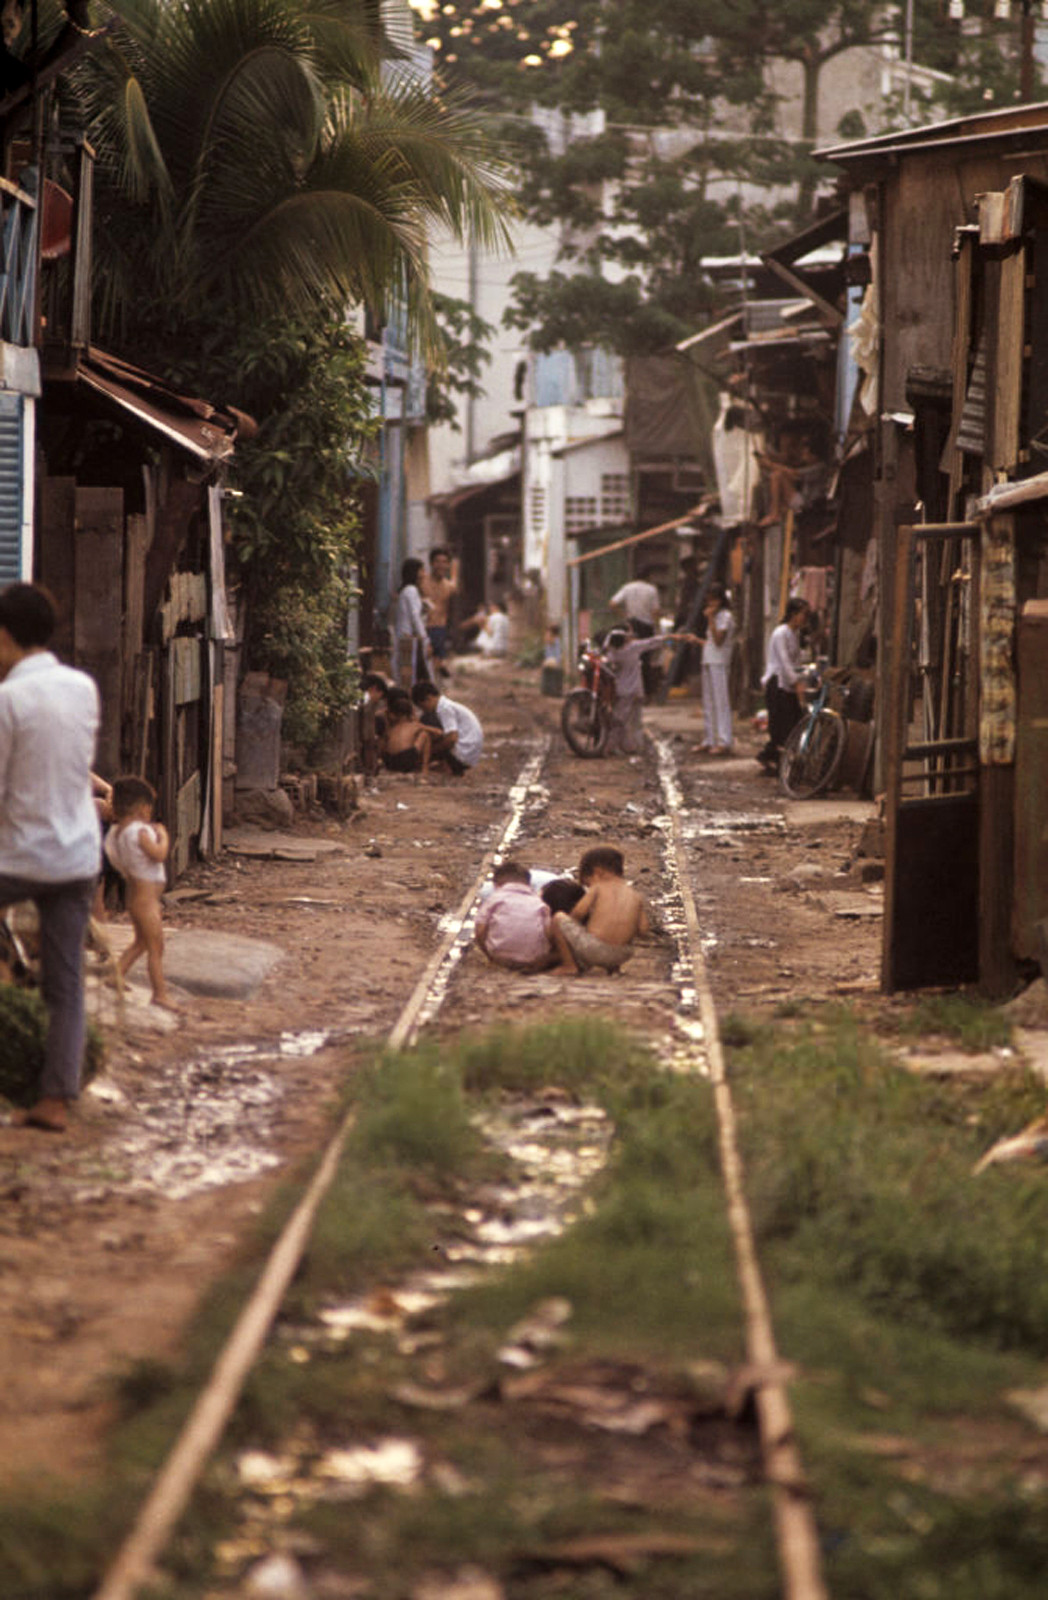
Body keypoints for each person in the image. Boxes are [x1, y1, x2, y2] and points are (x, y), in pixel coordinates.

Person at [0, 583, 101, 1132]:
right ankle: (55, 1101)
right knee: (65, 983)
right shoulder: (82, 687)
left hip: (17, 856)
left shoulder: (8, 700)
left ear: (6, 636)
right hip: (77, 857)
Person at [104, 776, 173, 1008]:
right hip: (147, 901)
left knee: (141, 942)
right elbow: (159, 854)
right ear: (144, 808)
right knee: (156, 947)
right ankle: (160, 993)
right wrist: (163, 835)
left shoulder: (116, 835)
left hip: (136, 897)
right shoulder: (141, 832)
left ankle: (117, 974)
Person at [550, 846, 649, 976]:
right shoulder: (636, 896)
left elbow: (578, 913)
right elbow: (643, 930)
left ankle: (569, 965)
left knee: (558, 918)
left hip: (594, 950)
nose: (588, 887)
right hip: (623, 954)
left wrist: (578, 925)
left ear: (597, 873)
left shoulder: (598, 888)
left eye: (588, 883)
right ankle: (613, 968)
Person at [602, 627, 696, 755]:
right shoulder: (633, 647)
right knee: (636, 720)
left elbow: (607, 645)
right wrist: (678, 637)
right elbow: (655, 641)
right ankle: (633, 746)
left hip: (623, 691)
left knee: (619, 720)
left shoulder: (613, 654)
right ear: (624, 641)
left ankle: (612, 746)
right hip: (637, 690)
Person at [759, 597, 809, 772]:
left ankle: (775, 759)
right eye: (802, 614)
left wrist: (801, 678)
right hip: (778, 683)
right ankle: (773, 760)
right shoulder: (781, 633)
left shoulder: (795, 634)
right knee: (781, 723)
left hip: (788, 683)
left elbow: (796, 662)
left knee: (792, 722)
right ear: (793, 614)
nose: (804, 618)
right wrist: (796, 683)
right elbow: (784, 662)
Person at [474, 861, 554, 971]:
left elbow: (480, 929)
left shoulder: (494, 899)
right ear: (528, 883)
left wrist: (488, 954)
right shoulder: (538, 902)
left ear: (496, 884)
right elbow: (548, 932)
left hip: (499, 956)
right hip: (533, 959)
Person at [411, 680, 484, 774]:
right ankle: (444, 764)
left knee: (428, 721)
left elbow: (452, 739)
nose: (424, 710)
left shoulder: (444, 708)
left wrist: (430, 751)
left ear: (429, 698)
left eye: (423, 707)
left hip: (462, 755)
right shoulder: (446, 705)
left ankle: (446, 765)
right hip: (468, 754)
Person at [696, 583, 736, 757]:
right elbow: (711, 641)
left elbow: (719, 639)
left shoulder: (725, 616)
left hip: (719, 661)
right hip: (709, 659)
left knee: (721, 701)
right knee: (709, 701)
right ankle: (710, 738)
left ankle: (724, 740)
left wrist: (711, 618)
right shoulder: (717, 615)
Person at [610, 568, 661, 696]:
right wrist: (657, 627)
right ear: (648, 577)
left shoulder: (627, 588)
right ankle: (646, 692)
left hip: (631, 625)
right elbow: (655, 611)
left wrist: (624, 615)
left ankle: (629, 688)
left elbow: (612, 603)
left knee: (630, 657)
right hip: (646, 626)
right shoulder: (651, 589)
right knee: (645, 659)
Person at [392, 558, 431, 688]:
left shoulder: (406, 591)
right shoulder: (411, 590)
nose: (424, 574)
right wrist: (425, 638)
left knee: (406, 671)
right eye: (422, 570)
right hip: (408, 637)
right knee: (409, 673)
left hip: (404, 635)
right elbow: (415, 617)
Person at [421, 547, 459, 675]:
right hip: (423, 628)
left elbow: (455, 586)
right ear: (431, 563)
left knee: (435, 666)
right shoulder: (422, 581)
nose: (441, 565)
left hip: (439, 629)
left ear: (448, 565)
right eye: (437, 561)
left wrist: (455, 568)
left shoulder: (449, 586)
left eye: (444, 562)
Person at [381, 690, 434, 775]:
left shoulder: (391, 728)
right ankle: (425, 769)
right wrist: (423, 727)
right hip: (406, 760)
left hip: (389, 762)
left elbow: (382, 746)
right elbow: (439, 733)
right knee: (425, 735)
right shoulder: (414, 725)